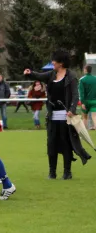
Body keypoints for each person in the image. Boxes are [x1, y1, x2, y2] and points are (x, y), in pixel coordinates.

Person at [24, 50, 92, 180]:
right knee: (51, 145)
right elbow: (39, 76)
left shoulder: (71, 76)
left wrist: (72, 109)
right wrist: (30, 73)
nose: (52, 62)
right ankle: (52, 172)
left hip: (66, 117)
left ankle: (67, 172)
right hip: (52, 117)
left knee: (66, 144)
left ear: (61, 63)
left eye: (54, 60)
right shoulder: (51, 74)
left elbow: (75, 94)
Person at [79, 65, 96, 130]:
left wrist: (82, 102)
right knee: (94, 117)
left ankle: (84, 133)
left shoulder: (82, 80)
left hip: (85, 101)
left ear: (86, 70)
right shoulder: (95, 78)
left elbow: (81, 92)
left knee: (84, 117)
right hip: (94, 101)